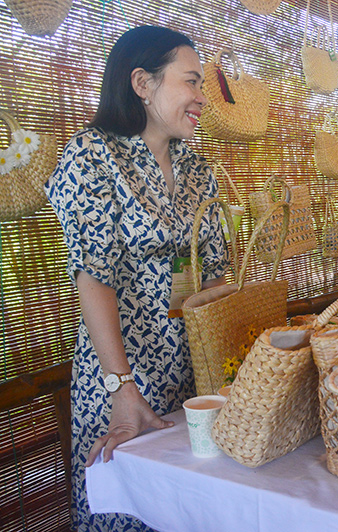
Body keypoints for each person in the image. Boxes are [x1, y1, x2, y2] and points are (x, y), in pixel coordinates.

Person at [45, 26, 229, 531]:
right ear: (143, 84)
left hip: (192, 377)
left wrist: (234, 367)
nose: (201, 97)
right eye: (190, 81)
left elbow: (214, 278)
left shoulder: (197, 169)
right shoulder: (93, 155)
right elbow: (93, 276)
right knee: (131, 511)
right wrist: (121, 388)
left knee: (193, 508)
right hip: (121, 379)